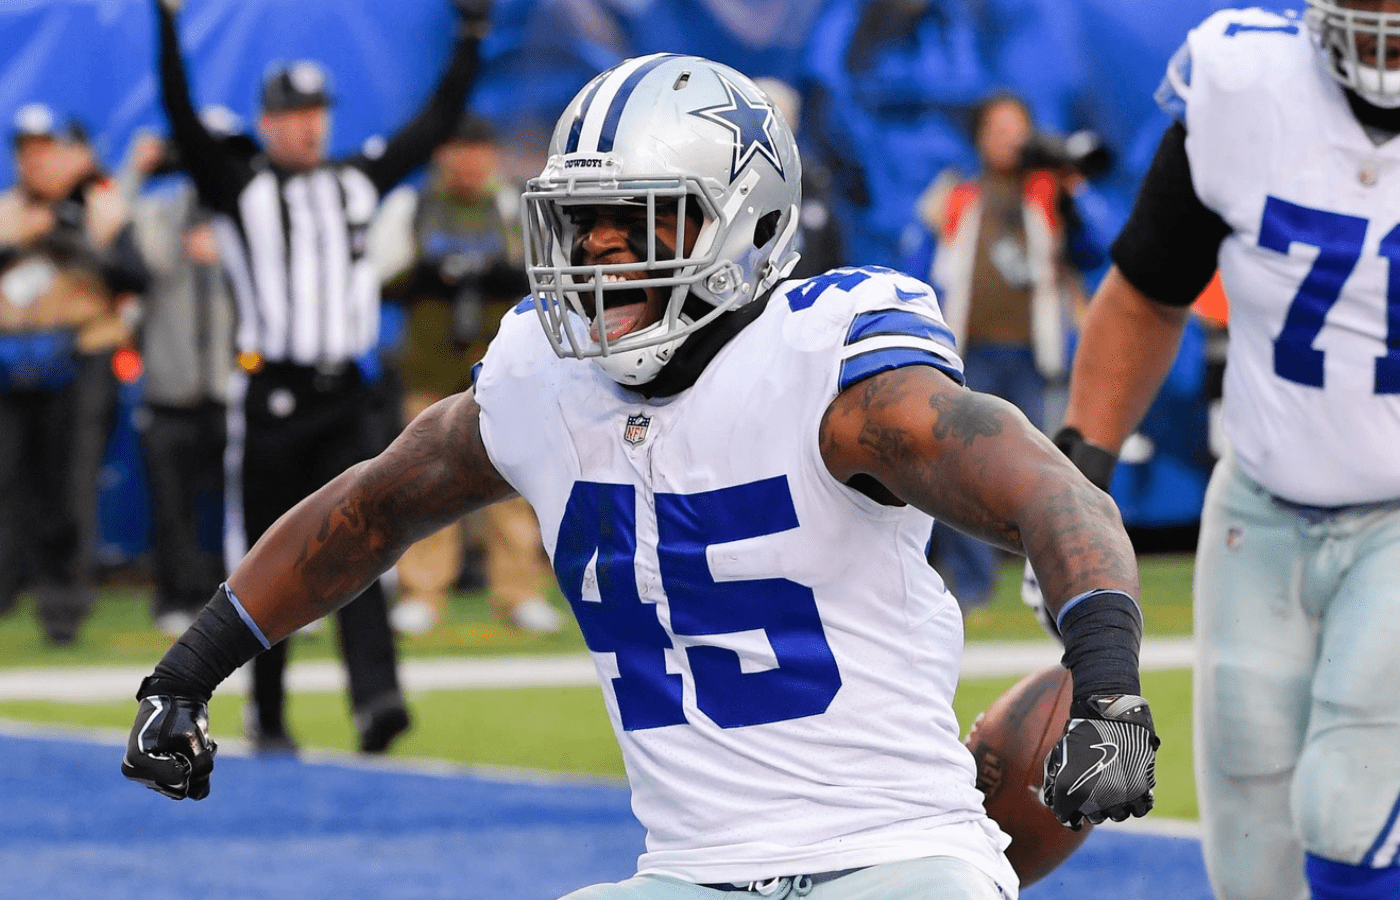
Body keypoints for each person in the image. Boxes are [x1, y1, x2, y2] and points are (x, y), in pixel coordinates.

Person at [121, 56, 1159, 899]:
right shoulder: (540, 378)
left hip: (893, 855)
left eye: (640, 221)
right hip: (688, 873)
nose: (601, 256)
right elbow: (368, 509)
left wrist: (1106, 689)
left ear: (743, 223)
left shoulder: (833, 371)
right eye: (582, 225)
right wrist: (188, 670)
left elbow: (1051, 493)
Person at [1041, 5, 1400, 899]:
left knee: (1350, 804)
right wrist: (1080, 470)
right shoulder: (1249, 81)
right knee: (1249, 846)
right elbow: (1149, 292)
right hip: (1260, 507)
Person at [151, 0, 491, 753]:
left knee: (372, 533)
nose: (307, 126)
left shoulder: (358, 181)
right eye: (291, 114)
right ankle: (267, 712)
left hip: (348, 395)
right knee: (272, 554)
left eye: (315, 112)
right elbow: (178, 114)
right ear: (267, 123)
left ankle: (376, 701)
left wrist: (470, 35)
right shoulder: (240, 188)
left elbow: (436, 122)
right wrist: (168, 22)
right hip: (273, 394)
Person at [905, 92, 1102, 611]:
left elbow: (1093, 250)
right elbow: (922, 269)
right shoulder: (957, 194)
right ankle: (975, 587)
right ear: (979, 137)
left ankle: (1050, 587)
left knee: (1041, 475)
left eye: (1018, 129)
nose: (1008, 140)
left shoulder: (1047, 193)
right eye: (998, 129)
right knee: (965, 476)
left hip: (1034, 359)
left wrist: (1071, 198)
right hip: (970, 357)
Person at [370, 113, 561, 636]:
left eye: (479, 150)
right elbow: (381, 275)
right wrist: (431, 274)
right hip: (430, 367)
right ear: (441, 154)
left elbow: (546, 274)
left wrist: (497, 275)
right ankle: (422, 591)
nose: (470, 162)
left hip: (503, 367)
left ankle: (520, 590)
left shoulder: (513, 205)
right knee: (427, 479)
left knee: (515, 480)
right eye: (459, 149)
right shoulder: (413, 207)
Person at [0, 103, 147, 644]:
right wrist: (18, 246)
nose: (35, 161)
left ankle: (63, 605)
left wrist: (77, 241)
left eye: (45, 149)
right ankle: (7, 590)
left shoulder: (99, 205)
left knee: (70, 486)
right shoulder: (7, 209)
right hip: (12, 359)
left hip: (82, 353)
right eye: (26, 150)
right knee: (8, 481)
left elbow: (137, 276)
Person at [118, 112, 245, 637]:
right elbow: (113, 236)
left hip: (233, 383)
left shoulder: (247, 213)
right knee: (170, 507)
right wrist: (134, 169)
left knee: (254, 500)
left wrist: (233, 252)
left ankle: (263, 599)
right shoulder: (157, 211)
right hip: (171, 385)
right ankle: (175, 596)